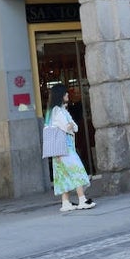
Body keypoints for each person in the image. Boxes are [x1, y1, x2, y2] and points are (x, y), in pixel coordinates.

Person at [45, 84, 95, 212]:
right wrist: (71, 126)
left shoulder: (53, 111)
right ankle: (82, 199)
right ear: (60, 95)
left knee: (63, 175)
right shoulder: (59, 111)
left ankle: (66, 202)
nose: (68, 95)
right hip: (65, 148)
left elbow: (73, 127)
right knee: (76, 170)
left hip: (57, 149)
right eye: (66, 93)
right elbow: (68, 126)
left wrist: (71, 126)